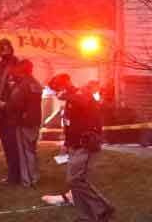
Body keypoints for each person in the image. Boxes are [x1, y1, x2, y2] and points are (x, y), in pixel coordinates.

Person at [47, 74, 115, 222]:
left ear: (65, 83)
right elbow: (70, 123)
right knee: (75, 181)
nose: (56, 92)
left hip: (87, 144)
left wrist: (67, 95)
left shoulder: (81, 93)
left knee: (76, 180)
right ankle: (86, 216)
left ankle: (103, 208)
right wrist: (66, 144)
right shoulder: (71, 100)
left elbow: (83, 101)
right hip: (75, 145)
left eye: (57, 88)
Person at [6, 58, 43, 187]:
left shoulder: (23, 85)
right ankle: (35, 177)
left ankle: (27, 181)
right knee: (32, 151)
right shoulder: (36, 84)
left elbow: (16, 103)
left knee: (24, 152)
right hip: (35, 121)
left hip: (24, 122)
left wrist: (5, 104)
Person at [0, 38, 20, 184]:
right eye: (1, 47)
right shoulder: (0, 66)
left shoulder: (15, 64)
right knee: (7, 146)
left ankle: (15, 176)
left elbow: (17, 90)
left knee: (13, 145)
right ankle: (11, 175)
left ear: (11, 48)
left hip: (11, 112)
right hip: (0, 111)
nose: (4, 50)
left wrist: (8, 105)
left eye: (6, 47)